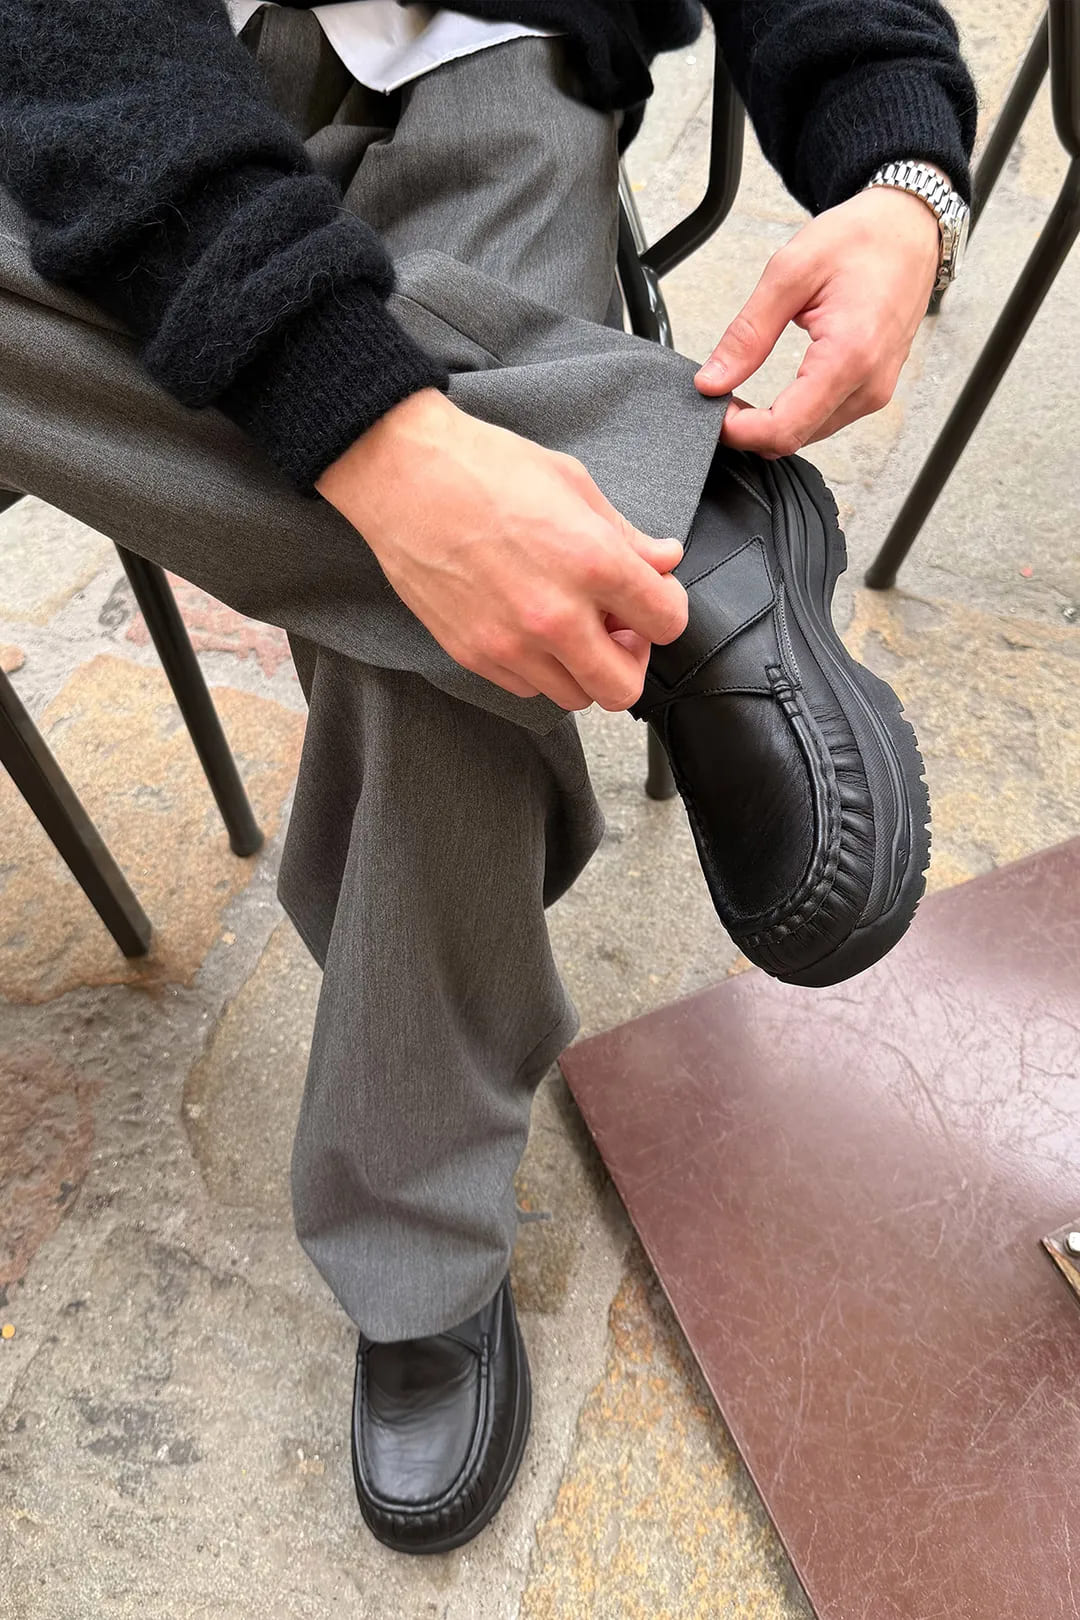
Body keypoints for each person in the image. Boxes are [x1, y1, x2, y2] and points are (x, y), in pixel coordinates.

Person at [0, 0, 976, 1554]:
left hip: (503, 49)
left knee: (460, 629)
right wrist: (382, 453)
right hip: (114, 53)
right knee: (471, 561)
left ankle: (421, 1233)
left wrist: (904, 168)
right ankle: (678, 523)